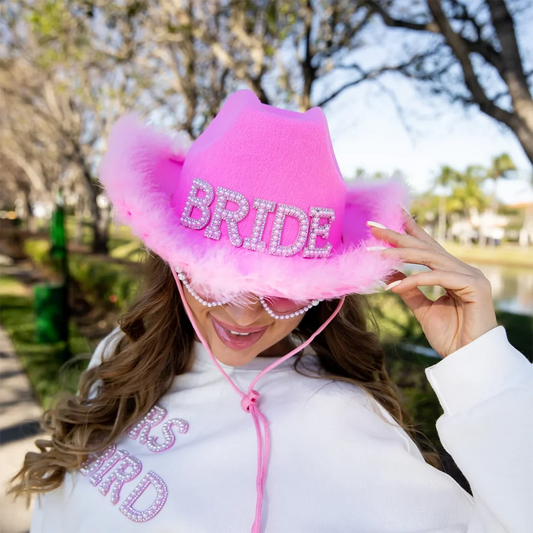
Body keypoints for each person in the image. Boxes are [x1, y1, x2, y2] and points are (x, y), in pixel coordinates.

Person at [14, 90, 533, 532]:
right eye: (218, 277)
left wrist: (483, 371)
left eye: (283, 288)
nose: (244, 316)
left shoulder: (340, 425)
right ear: (174, 263)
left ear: (323, 292)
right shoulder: (125, 354)